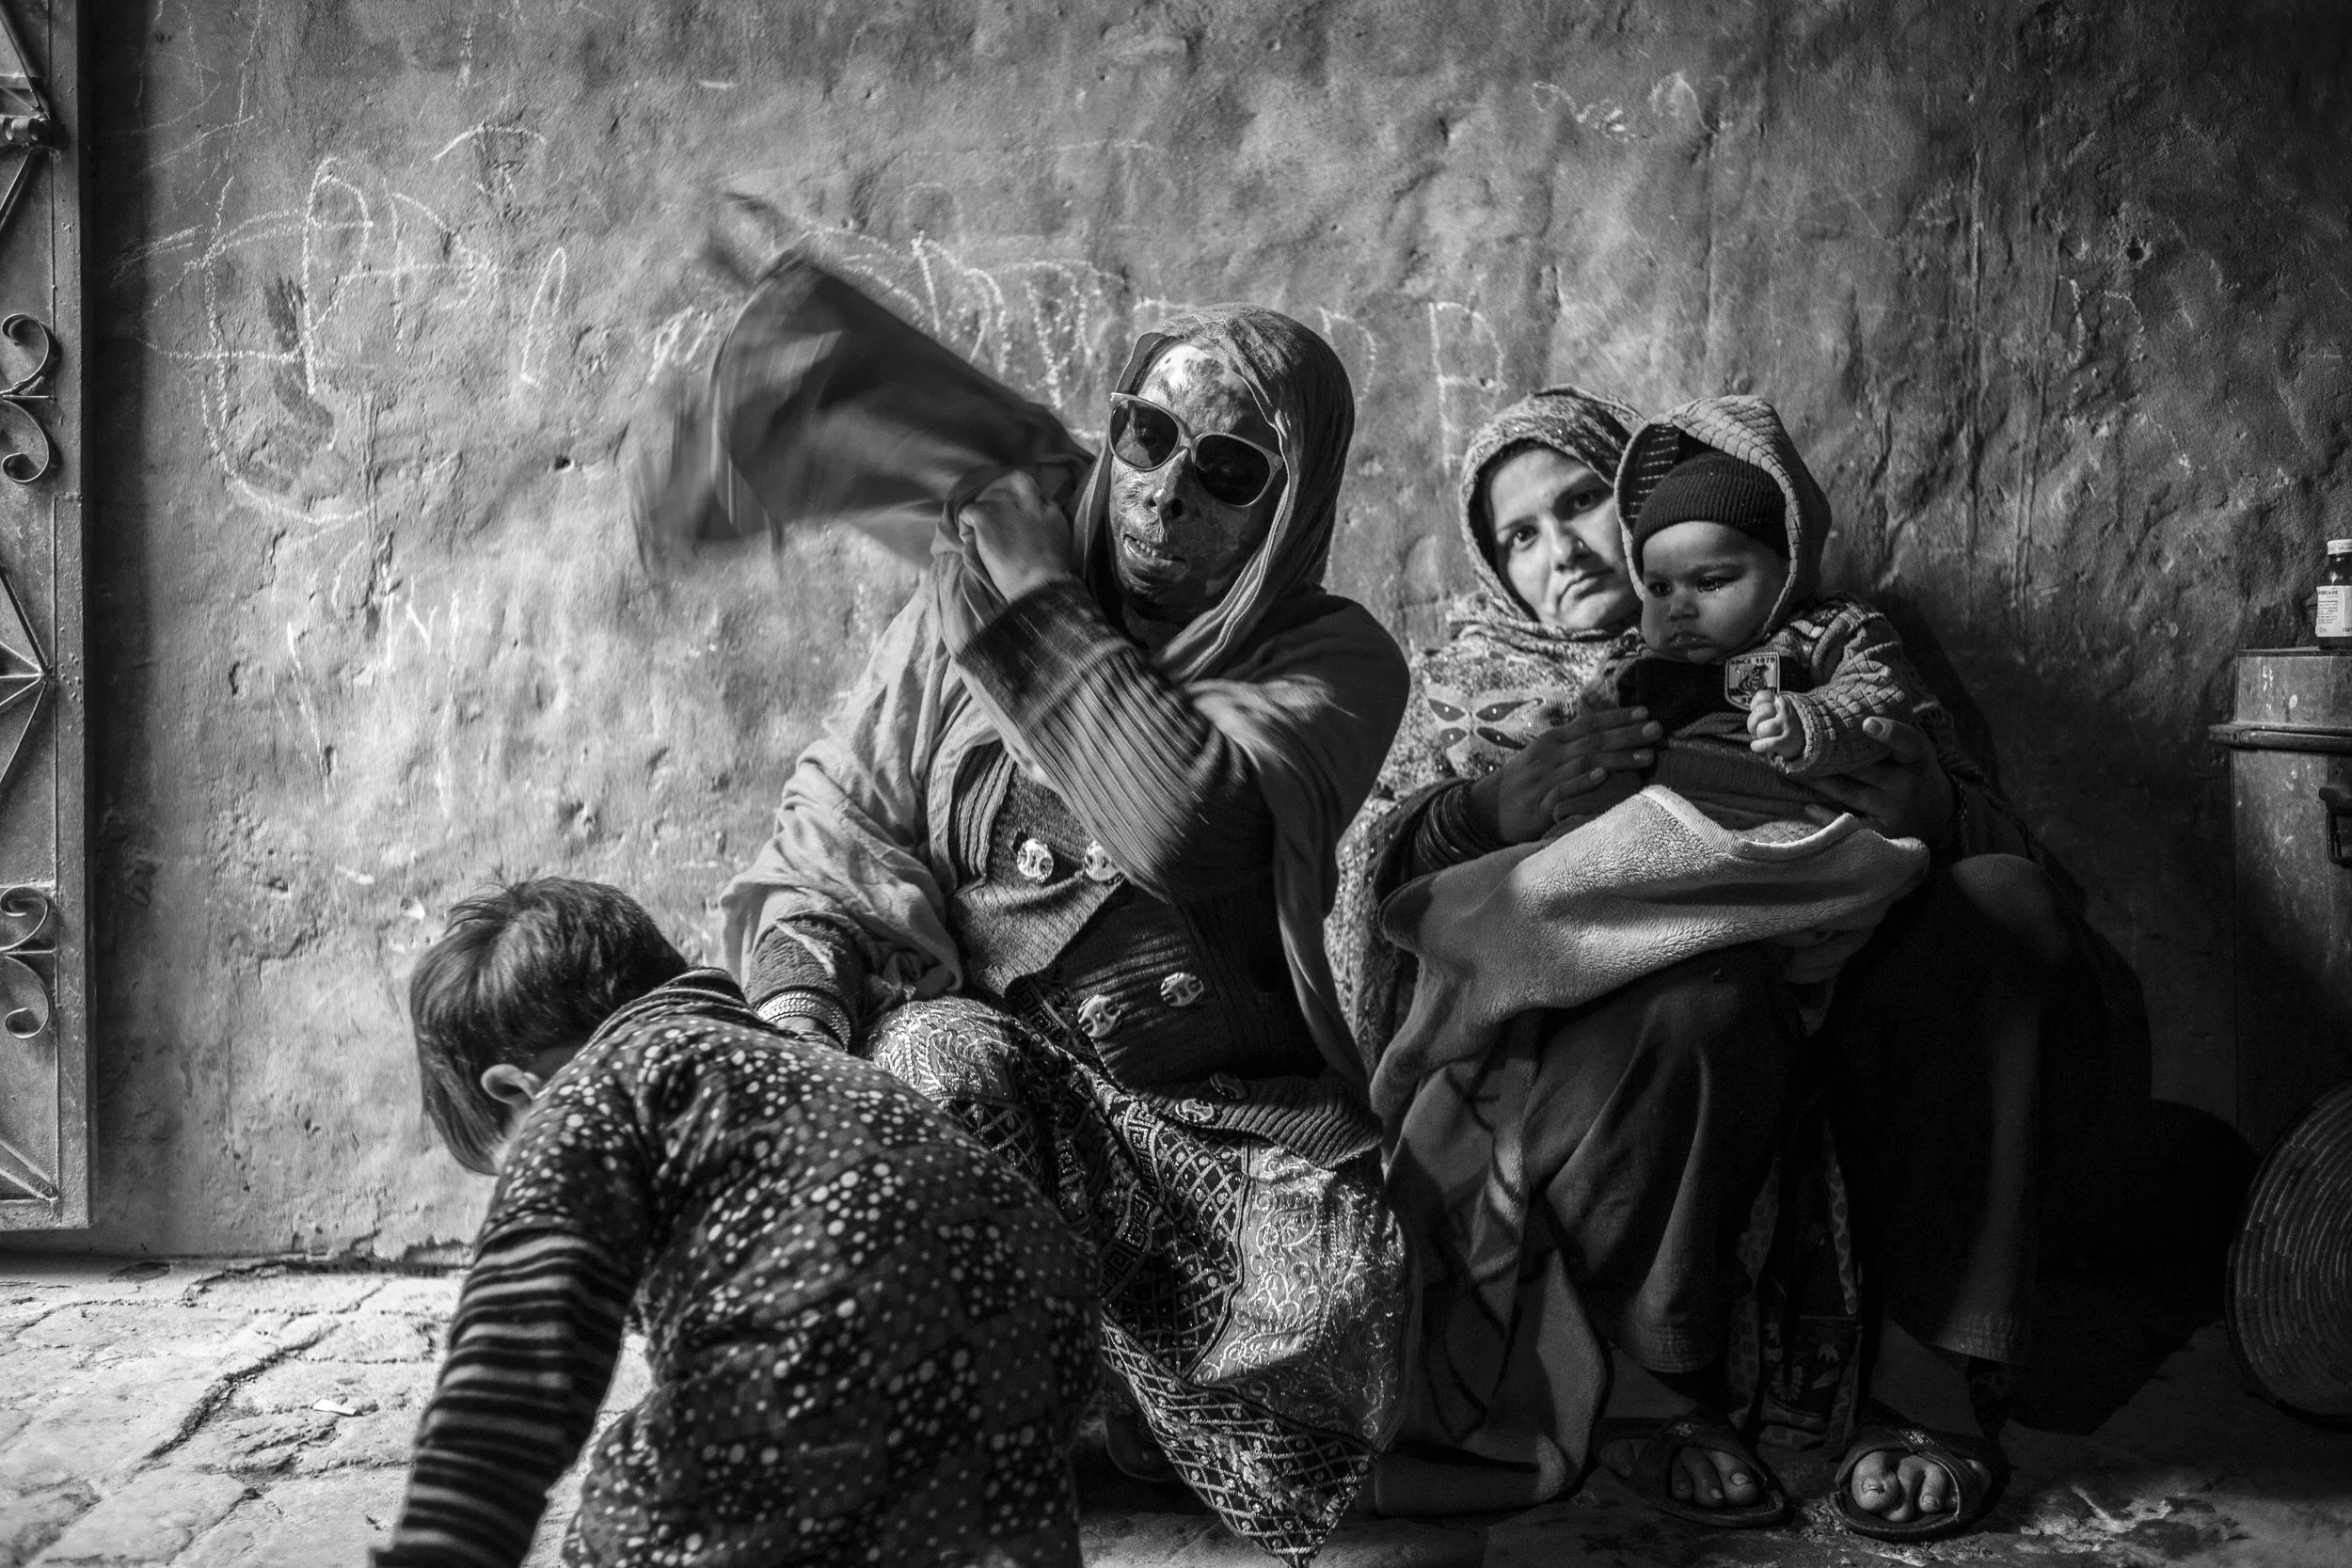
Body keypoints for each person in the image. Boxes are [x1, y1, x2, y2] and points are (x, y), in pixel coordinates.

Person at [1331, 387, 2118, 1542]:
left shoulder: (1827, 652)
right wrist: (1492, 805)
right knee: (1701, 992)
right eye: (1518, 536)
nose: (1560, 551)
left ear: (1645, 496)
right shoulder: (1465, 681)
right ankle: (1655, 1386)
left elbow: (2010, 854)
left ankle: (1924, 1382)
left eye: (1580, 502)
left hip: (1846, 998)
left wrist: (1929, 802)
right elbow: (1377, 900)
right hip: (1627, 1039)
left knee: (2000, 904)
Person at [720, 306, 1413, 1564]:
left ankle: (1112, 1397)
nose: (1158, 499)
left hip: (1200, 1127)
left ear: (1288, 503)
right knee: (931, 1065)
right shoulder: (973, 595)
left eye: (1226, 472)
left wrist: (1026, 590)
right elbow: (838, 819)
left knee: (1347, 1272)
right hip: (993, 1085)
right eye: (1143, 438)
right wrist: (799, 1030)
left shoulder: (1336, 661)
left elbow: (1183, 818)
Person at [376, 878, 1097, 1568]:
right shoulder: (796, 1057)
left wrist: (442, 1547)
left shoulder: (586, 1098)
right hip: (1038, 1324)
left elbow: (519, 1349)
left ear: (517, 1088)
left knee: (634, 1509)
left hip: (827, 1351)